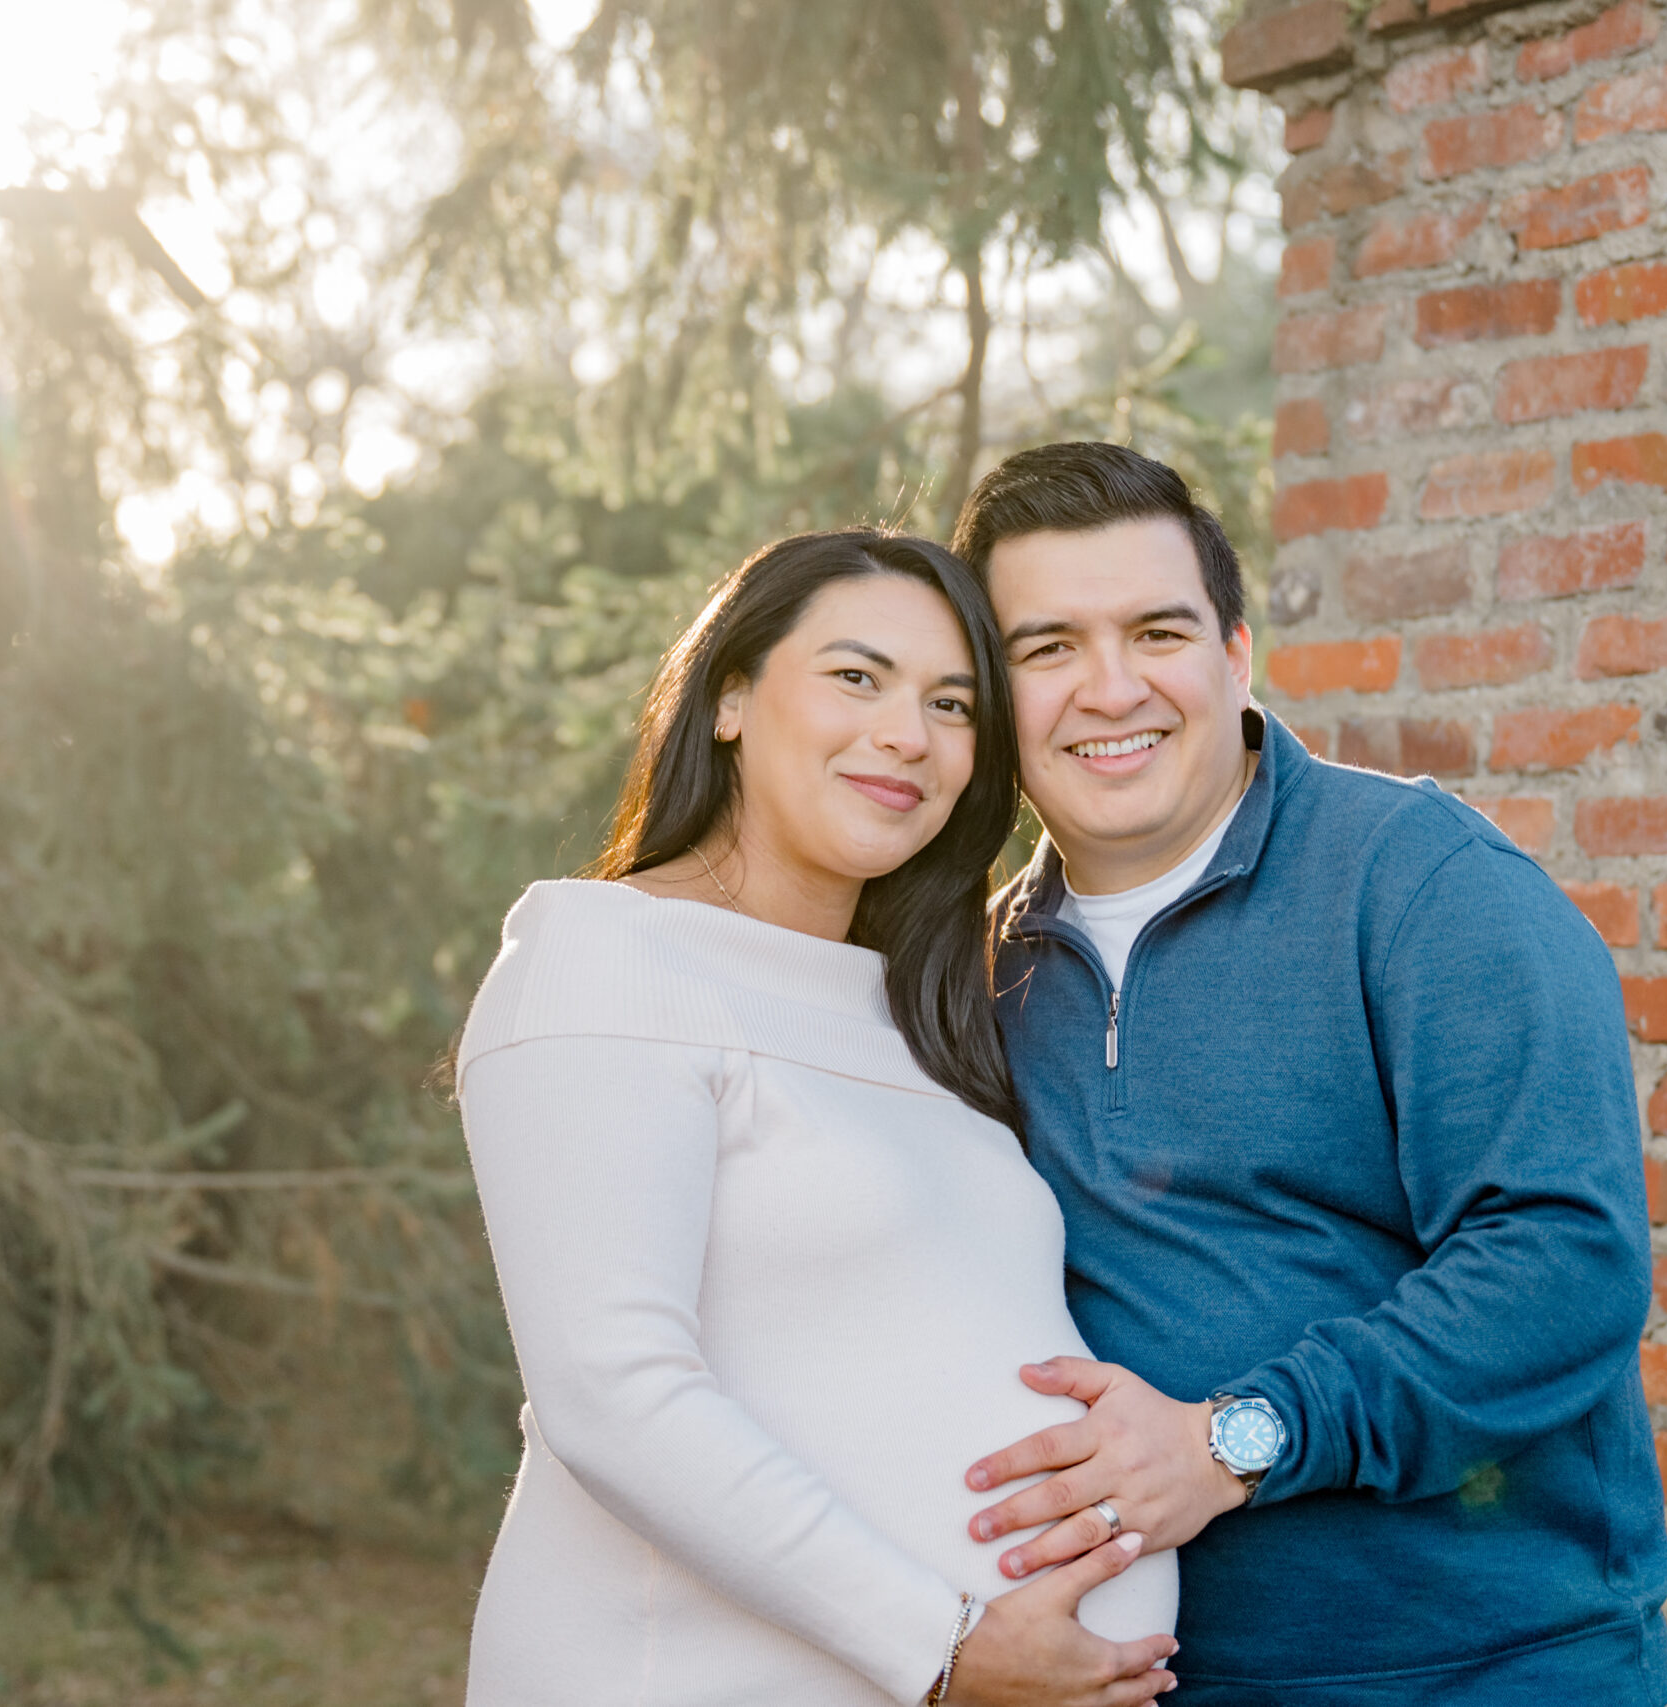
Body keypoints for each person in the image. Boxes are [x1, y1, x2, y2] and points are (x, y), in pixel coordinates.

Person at [945, 446, 1667, 1704]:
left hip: (1480, 1673)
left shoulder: (1425, 888)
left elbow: (1565, 1261)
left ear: (1235, 654)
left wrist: (1231, 1440)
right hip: (1144, 1680)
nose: (1109, 688)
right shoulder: (976, 976)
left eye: (1155, 632)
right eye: (1047, 647)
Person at [452, 528, 1179, 1706]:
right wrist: (942, 1649)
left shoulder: (915, 1013)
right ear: (730, 695)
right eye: (857, 676)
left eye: (953, 705)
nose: (908, 734)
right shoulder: (604, 962)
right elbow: (614, 1395)